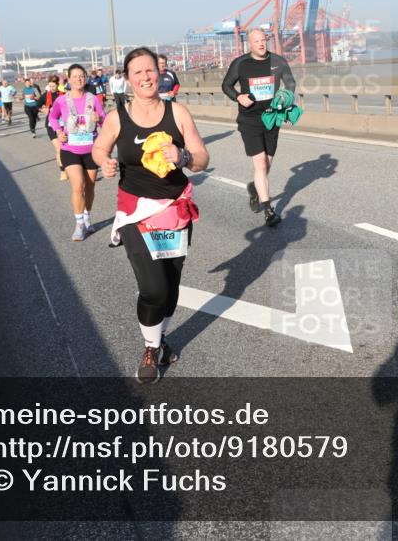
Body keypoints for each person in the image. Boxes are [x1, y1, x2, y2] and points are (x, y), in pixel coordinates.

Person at [92, 47, 209, 384]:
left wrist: (183, 156)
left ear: (159, 74)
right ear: (127, 79)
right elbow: (99, 148)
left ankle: (159, 339)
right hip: (136, 212)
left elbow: (202, 158)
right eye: (137, 72)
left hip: (174, 209)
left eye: (150, 70)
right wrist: (105, 162)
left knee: (170, 286)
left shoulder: (178, 112)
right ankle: (150, 348)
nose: (145, 77)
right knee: (154, 288)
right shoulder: (118, 117)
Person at [220, 28, 295, 227]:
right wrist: (238, 96)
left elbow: (290, 83)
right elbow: (226, 85)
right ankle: (268, 210)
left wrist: (286, 96)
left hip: (272, 118)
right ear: (250, 44)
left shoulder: (278, 61)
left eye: (263, 40)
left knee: (266, 165)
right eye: (256, 41)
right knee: (260, 165)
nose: (261, 44)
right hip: (249, 119)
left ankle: (255, 188)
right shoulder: (241, 63)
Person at [49, 64, 106, 241]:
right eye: (75, 76)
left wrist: (99, 118)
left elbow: (105, 121)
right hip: (70, 149)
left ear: (86, 78)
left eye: (81, 76)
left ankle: (87, 217)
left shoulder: (93, 99)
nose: (78, 79)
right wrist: (58, 131)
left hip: (91, 149)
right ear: (69, 79)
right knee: (78, 185)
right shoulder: (61, 100)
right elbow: (52, 117)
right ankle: (79, 224)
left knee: (90, 186)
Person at [41, 77, 66, 180]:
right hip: (50, 125)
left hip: (63, 125)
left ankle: (71, 166)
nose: (52, 88)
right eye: (50, 86)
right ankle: (63, 171)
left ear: (57, 85)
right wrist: (43, 109)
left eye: (54, 86)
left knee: (65, 148)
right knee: (58, 148)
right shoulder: (46, 95)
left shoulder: (63, 95)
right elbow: (38, 105)